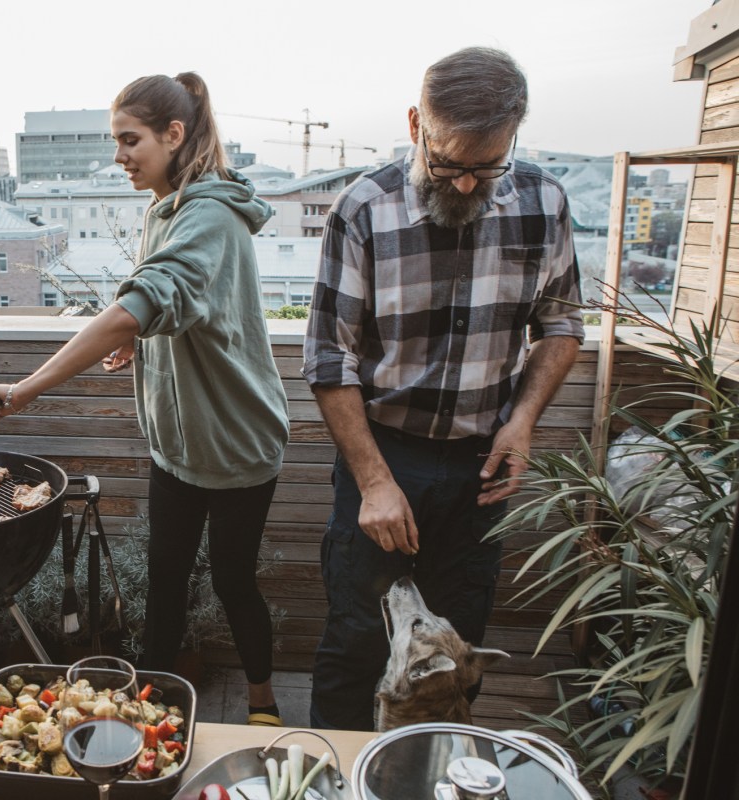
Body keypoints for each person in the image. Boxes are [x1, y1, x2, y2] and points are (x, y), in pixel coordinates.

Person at [0, 72, 291, 726]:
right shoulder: (163, 210)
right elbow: (172, 304)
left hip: (235, 441)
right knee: (165, 582)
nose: (119, 156)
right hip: (177, 446)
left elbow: (141, 301)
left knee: (232, 583)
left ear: (174, 134)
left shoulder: (209, 216)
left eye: (129, 140)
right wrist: (142, 342)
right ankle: (151, 716)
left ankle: (263, 703)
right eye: (116, 141)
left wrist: (22, 391)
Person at [302, 46, 584, 731]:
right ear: (415, 126)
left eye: (486, 167)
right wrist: (374, 481)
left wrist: (522, 421)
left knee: (457, 651)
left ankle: (427, 767)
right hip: (384, 454)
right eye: (448, 162)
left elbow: (561, 323)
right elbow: (329, 356)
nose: (464, 184)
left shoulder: (544, 202)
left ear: (514, 136)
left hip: (482, 461)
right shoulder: (363, 208)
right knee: (357, 642)